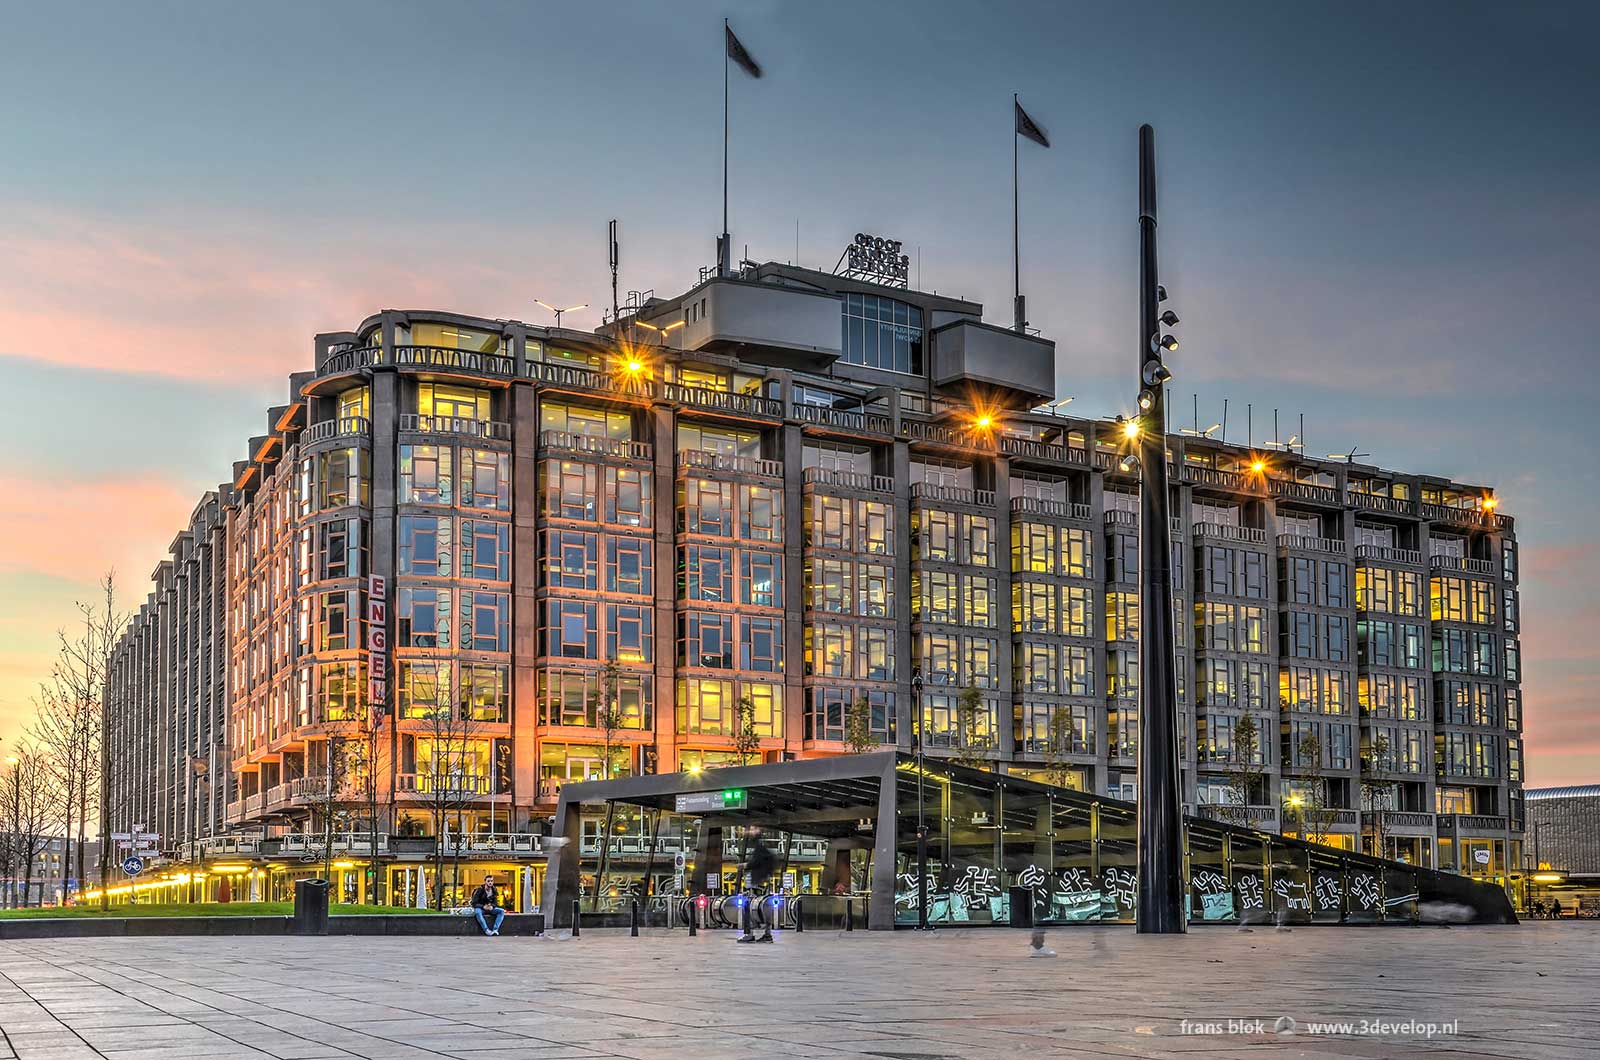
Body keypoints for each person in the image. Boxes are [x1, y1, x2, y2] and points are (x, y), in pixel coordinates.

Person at [736, 826, 779, 944]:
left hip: (757, 884)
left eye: (753, 829)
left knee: (748, 908)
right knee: (764, 908)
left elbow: (756, 861)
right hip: (762, 882)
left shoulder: (760, 847)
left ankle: (750, 934)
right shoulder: (762, 847)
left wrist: (745, 865)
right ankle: (767, 934)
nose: (749, 831)